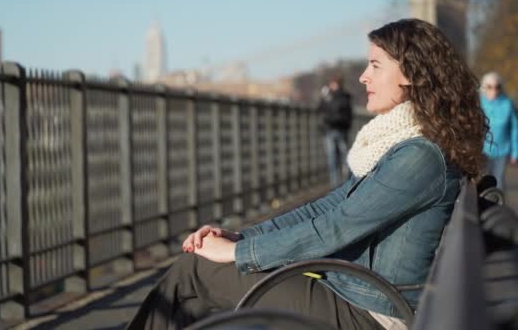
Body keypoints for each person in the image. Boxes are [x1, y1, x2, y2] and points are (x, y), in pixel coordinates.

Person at [126, 19, 488, 330]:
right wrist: (240, 236)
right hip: (355, 290)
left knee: (195, 271)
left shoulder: (419, 156)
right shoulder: (406, 146)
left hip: (373, 314)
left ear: (410, 73)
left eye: (375, 66)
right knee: (201, 269)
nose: (363, 77)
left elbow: (335, 228)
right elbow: (324, 209)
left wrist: (238, 254)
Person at [480, 72, 518, 191]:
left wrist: (515, 153)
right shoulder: (479, 103)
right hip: (482, 150)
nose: (494, 90)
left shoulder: (507, 103)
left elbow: (515, 129)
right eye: (490, 86)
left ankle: (499, 208)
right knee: (482, 182)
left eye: (497, 86)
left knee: (499, 182)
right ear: (484, 87)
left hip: (502, 150)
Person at [317, 75, 353, 187]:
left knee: (342, 157)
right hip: (330, 130)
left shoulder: (342, 96)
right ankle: (336, 184)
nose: (332, 86)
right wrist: (322, 98)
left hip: (340, 129)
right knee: (333, 158)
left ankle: (343, 184)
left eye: (334, 83)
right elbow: (319, 109)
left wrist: (326, 99)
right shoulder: (331, 96)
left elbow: (343, 112)